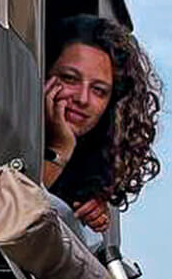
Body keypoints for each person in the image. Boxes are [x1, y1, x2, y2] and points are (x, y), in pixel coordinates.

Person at [42, 15, 163, 233]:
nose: (83, 99)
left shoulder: (93, 165)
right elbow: (12, 212)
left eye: (98, 90)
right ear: (43, 74)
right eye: (69, 78)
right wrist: (58, 151)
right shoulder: (7, 136)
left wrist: (94, 213)